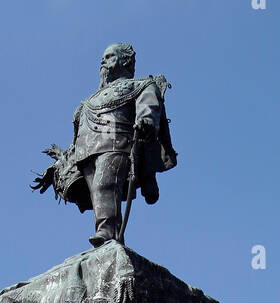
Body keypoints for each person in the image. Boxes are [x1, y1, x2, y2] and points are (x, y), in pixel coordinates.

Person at [31, 42, 177, 246]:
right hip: (87, 152)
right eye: (102, 58)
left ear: (125, 60)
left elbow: (149, 107)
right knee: (98, 194)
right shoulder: (89, 100)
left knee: (105, 185)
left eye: (109, 56)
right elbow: (75, 140)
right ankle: (113, 237)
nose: (103, 61)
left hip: (117, 143)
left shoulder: (140, 85)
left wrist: (147, 121)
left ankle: (107, 233)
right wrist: (61, 163)